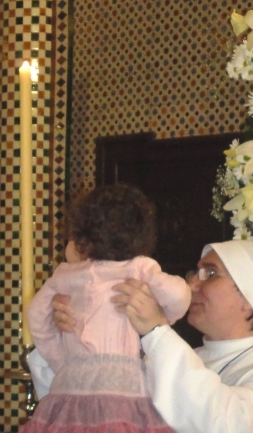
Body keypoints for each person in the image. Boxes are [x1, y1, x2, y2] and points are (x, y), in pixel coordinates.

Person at [32, 239, 253, 432]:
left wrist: (156, 332)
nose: (191, 284)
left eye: (211, 274)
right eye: (196, 272)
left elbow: (227, 427)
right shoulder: (170, 360)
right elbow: (84, 413)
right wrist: (66, 338)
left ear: (252, 296)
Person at [21, 184, 191, 432]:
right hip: (123, 385)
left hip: (71, 384)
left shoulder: (65, 275)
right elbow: (179, 295)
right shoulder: (140, 267)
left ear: (82, 239)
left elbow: (36, 316)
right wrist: (163, 317)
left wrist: (62, 362)